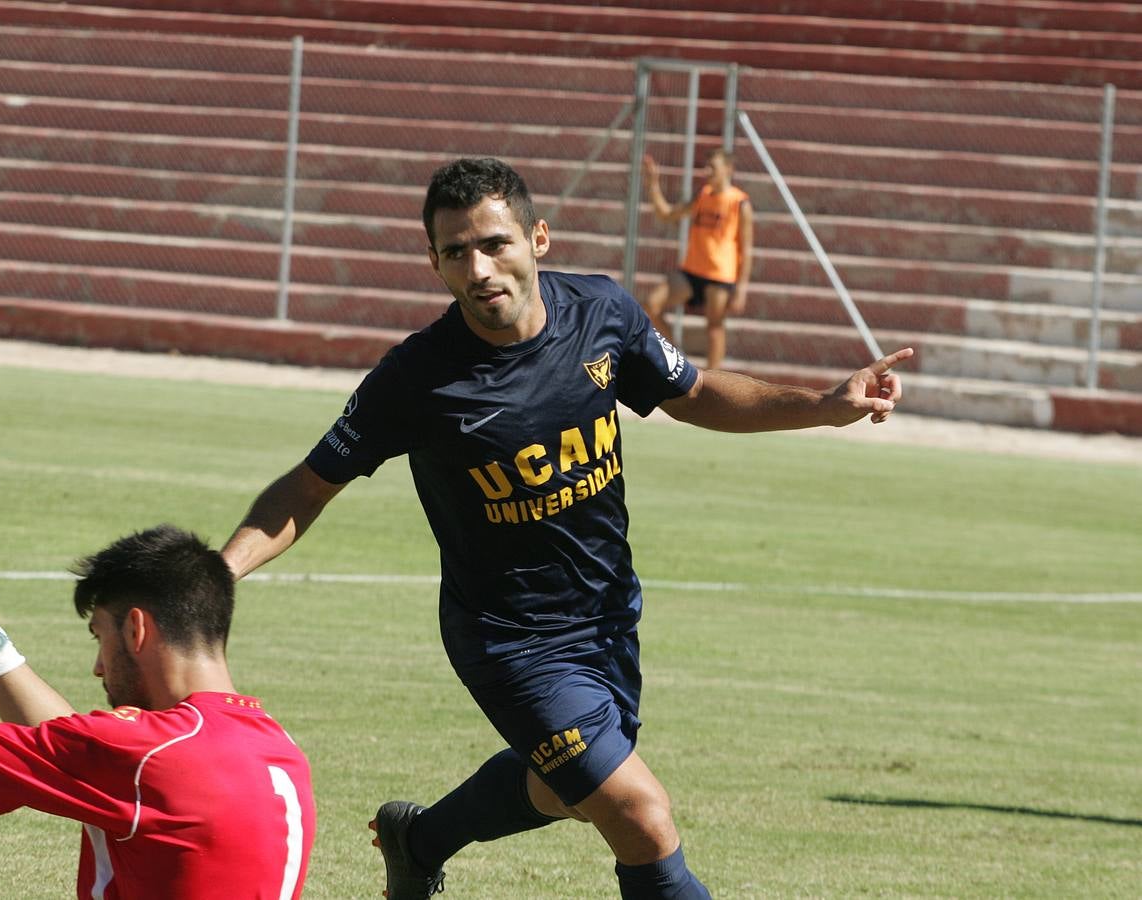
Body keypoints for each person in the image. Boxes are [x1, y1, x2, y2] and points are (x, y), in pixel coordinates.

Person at [222, 156, 910, 899]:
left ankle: (418, 840)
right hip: (508, 639)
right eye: (455, 252)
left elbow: (697, 393)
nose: (479, 267)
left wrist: (822, 404)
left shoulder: (603, 314)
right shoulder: (416, 379)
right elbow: (309, 485)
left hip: (608, 614)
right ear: (434, 263)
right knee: (641, 815)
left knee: (567, 794)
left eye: (494, 243)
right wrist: (218, 570)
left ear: (537, 238)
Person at [0, 527, 315, 899]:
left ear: (135, 629)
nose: (97, 667)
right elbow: (76, 743)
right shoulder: (276, 746)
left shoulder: (151, 754)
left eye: (99, 636)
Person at [641, 149, 753, 371]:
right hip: (692, 270)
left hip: (720, 273)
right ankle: (677, 360)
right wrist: (653, 185)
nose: (707, 171)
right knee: (651, 305)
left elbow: (747, 249)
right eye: (707, 166)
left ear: (728, 169)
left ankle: (713, 380)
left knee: (714, 327)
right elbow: (666, 214)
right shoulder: (702, 194)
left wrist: (741, 288)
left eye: (713, 167)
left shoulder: (740, 203)